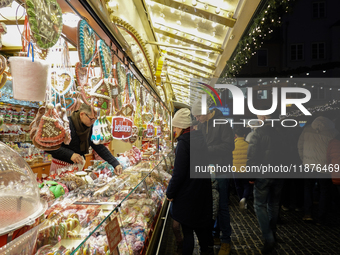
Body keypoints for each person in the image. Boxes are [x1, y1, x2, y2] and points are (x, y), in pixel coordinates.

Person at [166, 108, 213, 255]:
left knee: (188, 234)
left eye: (175, 126)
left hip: (187, 196)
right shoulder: (200, 138)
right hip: (202, 193)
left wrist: (170, 193)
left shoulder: (184, 143)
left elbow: (178, 174)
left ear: (180, 126)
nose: (174, 130)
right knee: (202, 233)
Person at [192, 100, 234, 255]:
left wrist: (207, 149)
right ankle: (215, 235)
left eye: (198, 115)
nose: (197, 119)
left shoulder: (222, 122)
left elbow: (230, 145)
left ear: (205, 112)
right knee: (212, 203)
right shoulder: (202, 124)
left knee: (222, 205)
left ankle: (226, 240)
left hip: (222, 169)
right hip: (208, 169)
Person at [247, 110, 286, 254]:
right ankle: (273, 233)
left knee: (259, 205)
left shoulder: (258, 133)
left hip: (263, 175)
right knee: (274, 205)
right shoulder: (282, 131)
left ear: (263, 117)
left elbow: (252, 156)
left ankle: (268, 238)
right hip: (279, 173)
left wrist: (251, 176)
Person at [47, 103, 122, 175]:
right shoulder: (65, 123)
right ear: (82, 114)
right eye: (91, 119)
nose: (93, 122)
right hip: (60, 168)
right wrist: (70, 154)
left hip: (78, 168)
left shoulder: (89, 127)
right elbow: (49, 146)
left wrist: (115, 163)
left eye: (95, 119)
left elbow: (99, 146)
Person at [298, 116, 338, 224]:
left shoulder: (306, 129)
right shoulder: (334, 132)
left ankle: (308, 213)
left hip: (308, 165)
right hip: (325, 166)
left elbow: (300, 146)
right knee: (324, 191)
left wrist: (304, 159)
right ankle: (321, 217)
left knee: (308, 188)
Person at [232, 127, 251, 210]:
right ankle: (244, 198)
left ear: (236, 135)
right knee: (247, 185)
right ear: (244, 135)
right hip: (245, 169)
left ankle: (241, 200)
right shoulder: (248, 144)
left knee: (238, 186)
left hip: (235, 169)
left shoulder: (232, 144)